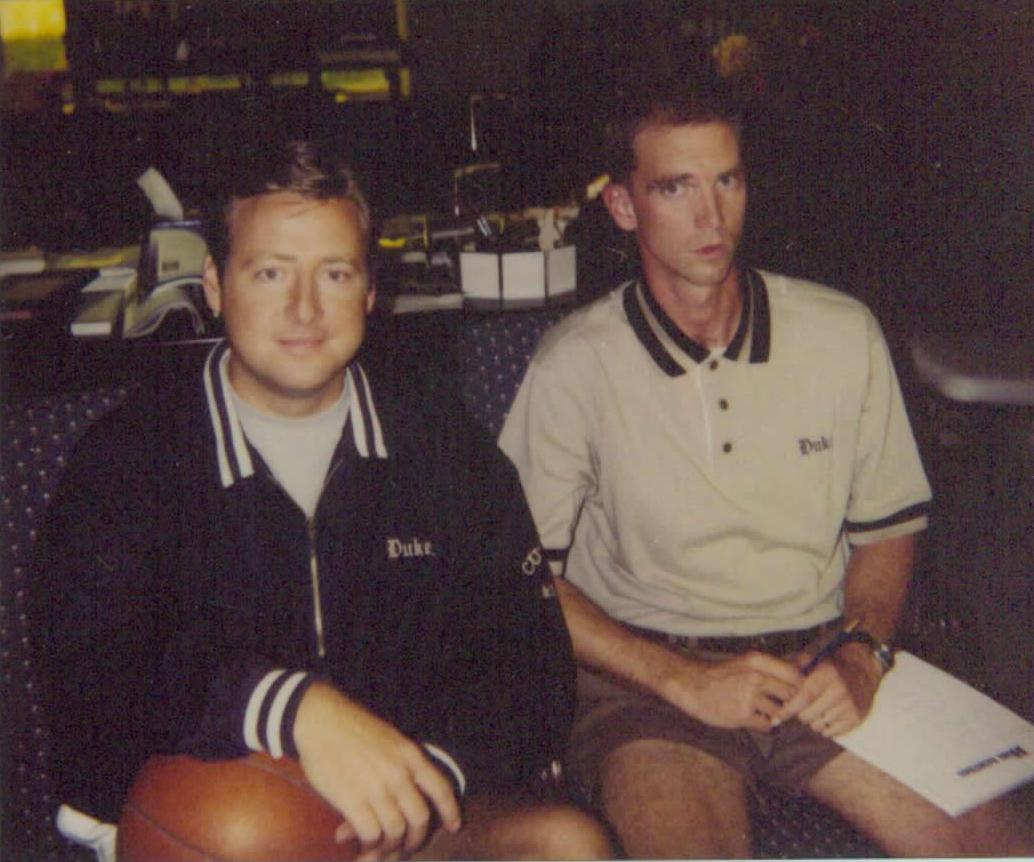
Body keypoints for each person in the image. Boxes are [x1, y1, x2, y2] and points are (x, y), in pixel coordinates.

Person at [30, 140, 612, 862]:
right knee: (237, 834)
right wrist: (287, 708)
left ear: (370, 291)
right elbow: (91, 679)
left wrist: (424, 780)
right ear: (213, 285)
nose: (304, 308)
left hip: (405, 813)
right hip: (218, 811)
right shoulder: (128, 459)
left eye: (333, 274)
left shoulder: (439, 443)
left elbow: (532, 667)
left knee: (568, 844)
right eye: (270, 272)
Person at [498, 77, 1034, 857]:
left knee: (1006, 850)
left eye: (728, 181)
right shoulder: (573, 365)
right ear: (623, 206)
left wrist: (860, 652)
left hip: (821, 665)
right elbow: (522, 577)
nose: (711, 217)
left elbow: (885, 529)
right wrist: (681, 678)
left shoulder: (843, 334)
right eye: (676, 188)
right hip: (652, 685)